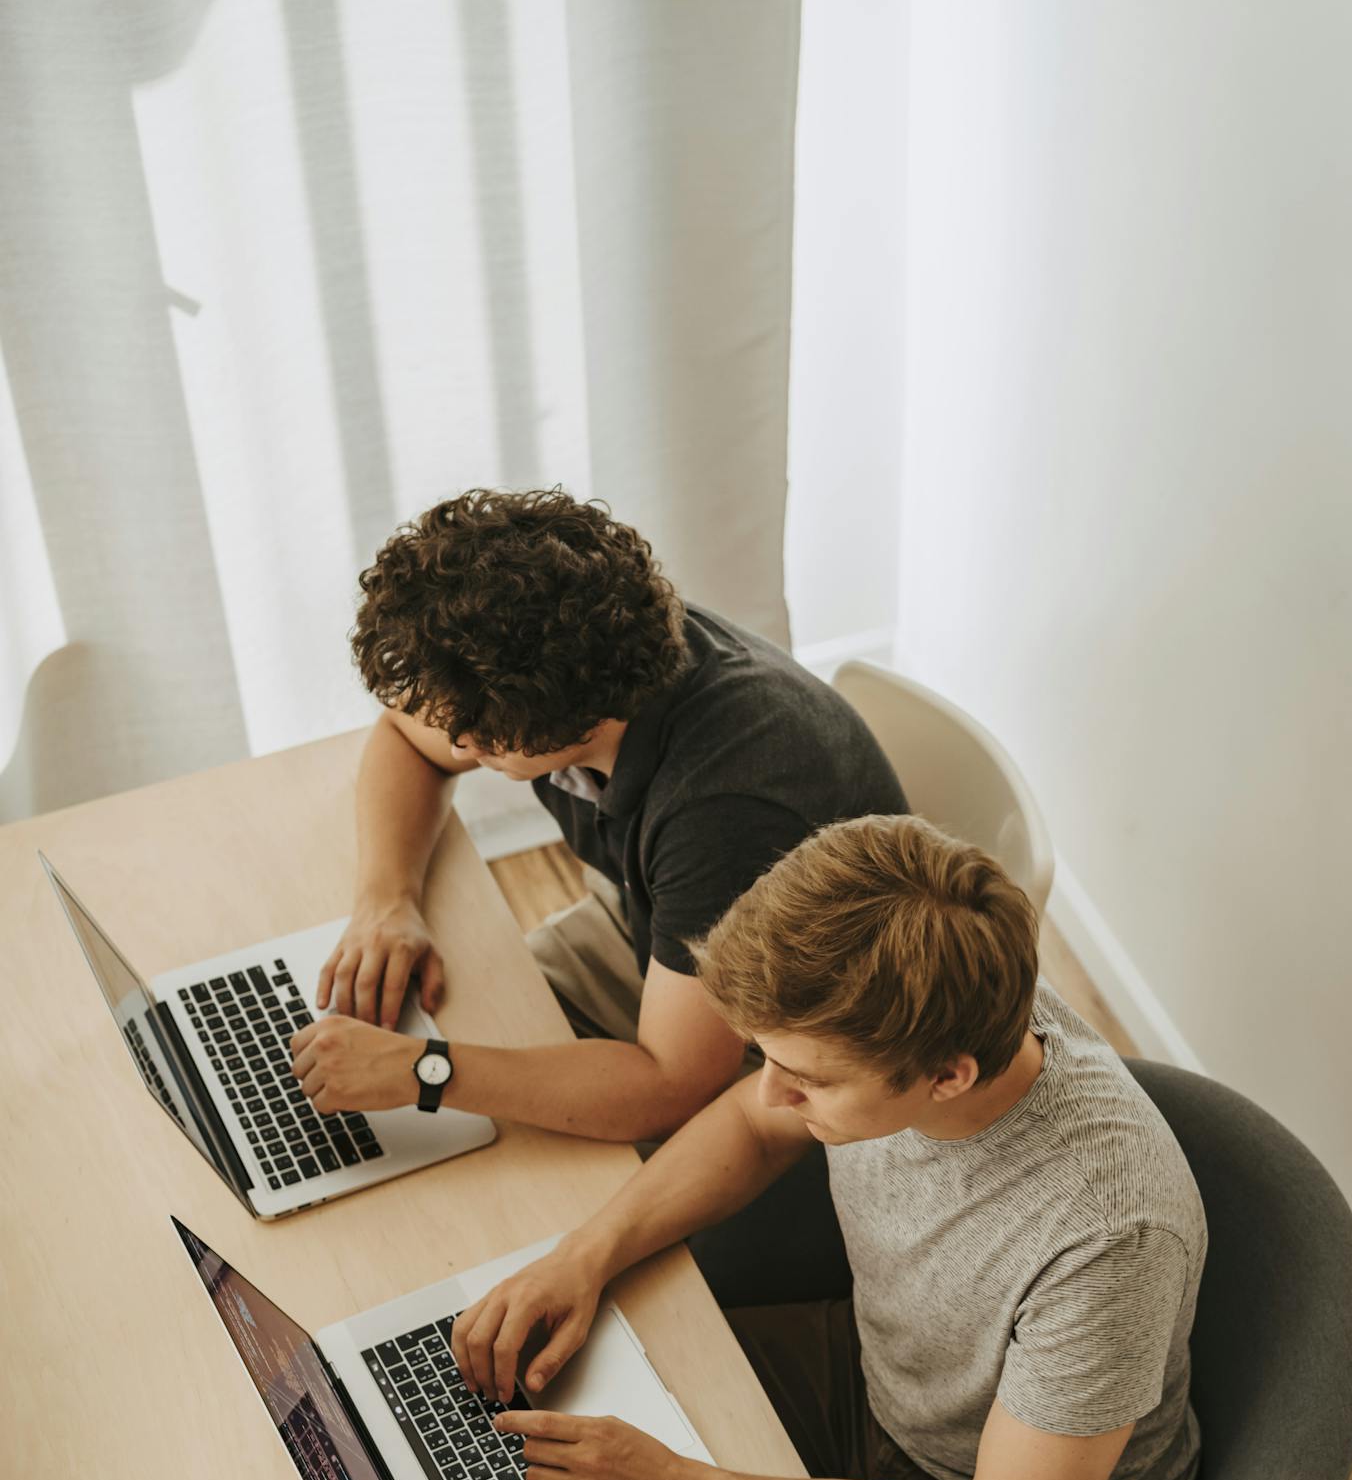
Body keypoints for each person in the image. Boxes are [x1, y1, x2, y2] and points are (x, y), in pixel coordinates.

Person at [452, 813, 1208, 1480]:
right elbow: (747, 1122)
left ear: (947, 1077)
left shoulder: (1106, 1237)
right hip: (881, 1381)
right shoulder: (925, 1010)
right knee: (512, 1451)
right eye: (766, 1057)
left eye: (805, 1077)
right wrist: (581, 1259)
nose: (771, 1092)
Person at [288, 487, 905, 1144]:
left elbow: (671, 1084)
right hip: (651, 932)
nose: (460, 746)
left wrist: (428, 1072)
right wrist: (387, 901)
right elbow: (405, 738)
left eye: (477, 736)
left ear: (567, 718)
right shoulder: (598, 634)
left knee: (462, 1131)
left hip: (787, 1038)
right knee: (427, 1045)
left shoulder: (725, 813)